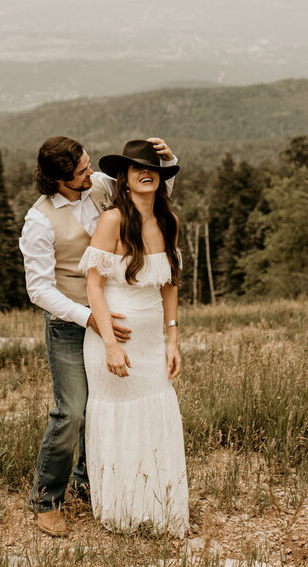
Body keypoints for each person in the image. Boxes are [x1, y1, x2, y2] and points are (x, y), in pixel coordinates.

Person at [19, 135, 177, 537]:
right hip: (70, 321)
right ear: (59, 181)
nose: (92, 174)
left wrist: (168, 161)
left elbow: (147, 200)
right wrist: (89, 318)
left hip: (118, 320)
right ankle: (46, 499)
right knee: (71, 411)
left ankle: (90, 484)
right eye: (82, 172)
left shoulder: (100, 187)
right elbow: (38, 289)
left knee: (105, 405)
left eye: (89, 165)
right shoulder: (39, 221)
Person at [79, 139, 189, 536]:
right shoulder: (111, 221)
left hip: (150, 342)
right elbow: (94, 287)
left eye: (154, 168)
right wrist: (109, 340)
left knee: (157, 412)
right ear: (123, 179)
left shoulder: (168, 222)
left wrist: (172, 340)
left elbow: (170, 286)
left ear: (160, 179)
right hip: (114, 337)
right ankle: (123, 509)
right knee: (119, 416)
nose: (147, 173)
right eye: (137, 168)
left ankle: (158, 506)